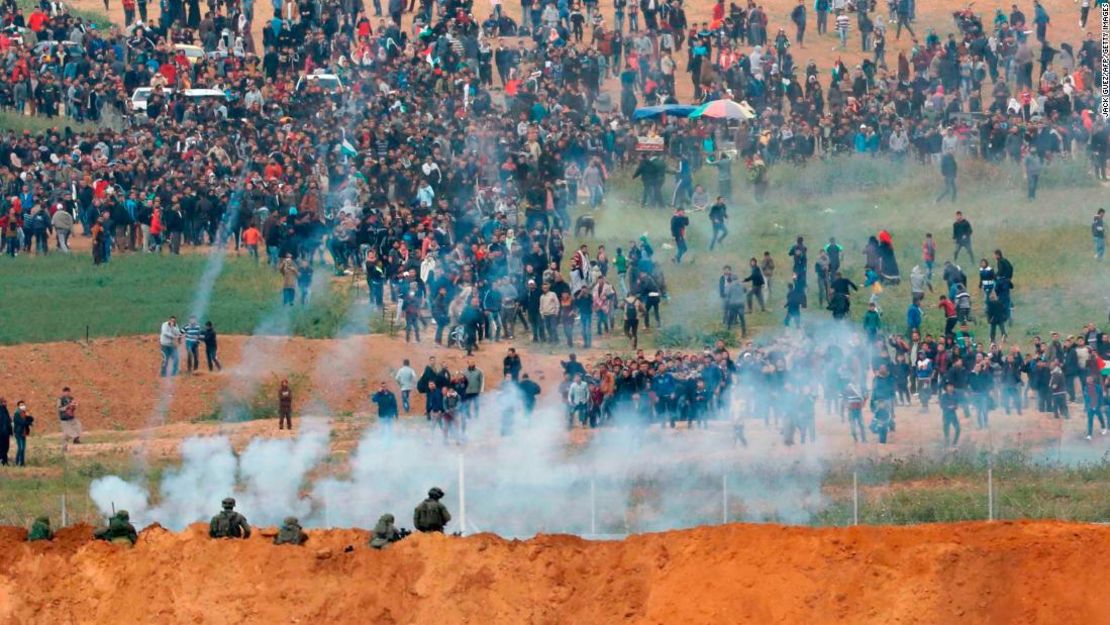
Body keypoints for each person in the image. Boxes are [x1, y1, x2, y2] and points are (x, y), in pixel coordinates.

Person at [12, 401, 32, 467]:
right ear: (18, 406)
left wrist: (29, 417)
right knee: (20, 448)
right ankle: (17, 462)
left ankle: (22, 463)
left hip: (24, 433)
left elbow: (31, 419)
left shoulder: (24, 413)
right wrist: (28, 422)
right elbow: (22, 422)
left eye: (23, 405)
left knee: (23, 448)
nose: (23, 406)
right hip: (18, 433)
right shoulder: (16, 414)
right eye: (21, 405)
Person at [0, 398, 10, 465]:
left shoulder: (6, 410)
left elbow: (8, 421)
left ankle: (4, 461)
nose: (5, 403)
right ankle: (3, 461)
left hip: (6, 432)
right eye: (4, 402)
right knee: (2, 447)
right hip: (1, 433)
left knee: (6, 447)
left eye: (5, 402)